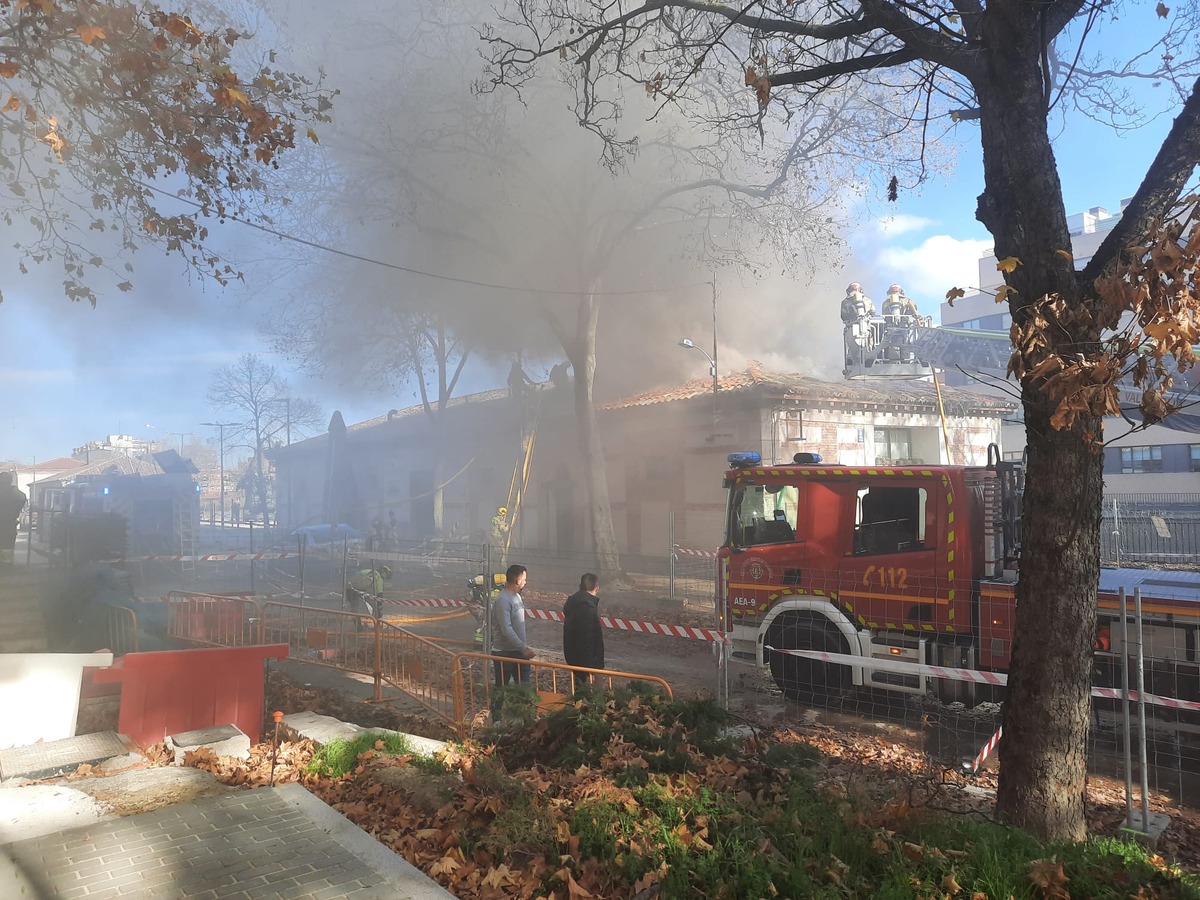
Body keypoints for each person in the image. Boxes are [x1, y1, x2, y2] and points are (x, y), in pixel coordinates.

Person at [491, 563, 535, 686]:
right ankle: (498, 706)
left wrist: (522, 648)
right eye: (524, 579)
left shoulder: (516, 597)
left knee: (524, 689)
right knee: (501, 690)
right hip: (504, 653)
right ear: (517, 580)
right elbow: (506, 629)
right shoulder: (503, 600)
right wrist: (523, 648)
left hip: (518, 651)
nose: (525, 582)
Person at [563, 573, 604, 692]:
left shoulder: (575, 603)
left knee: (580, 696)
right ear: (597, 588)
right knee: (588, 699)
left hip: (575, 659)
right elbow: (586, 640)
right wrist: (590, 670)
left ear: (580, 586)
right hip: (588, 664)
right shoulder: (588, 609)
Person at [0, 473, 26, 566]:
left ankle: (6, 565)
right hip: (9, 524)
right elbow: (22, 498)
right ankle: (7, 566)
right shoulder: (15, 493)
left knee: (6, 546)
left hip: (7, 523)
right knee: (7, 545)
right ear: (10, 481)